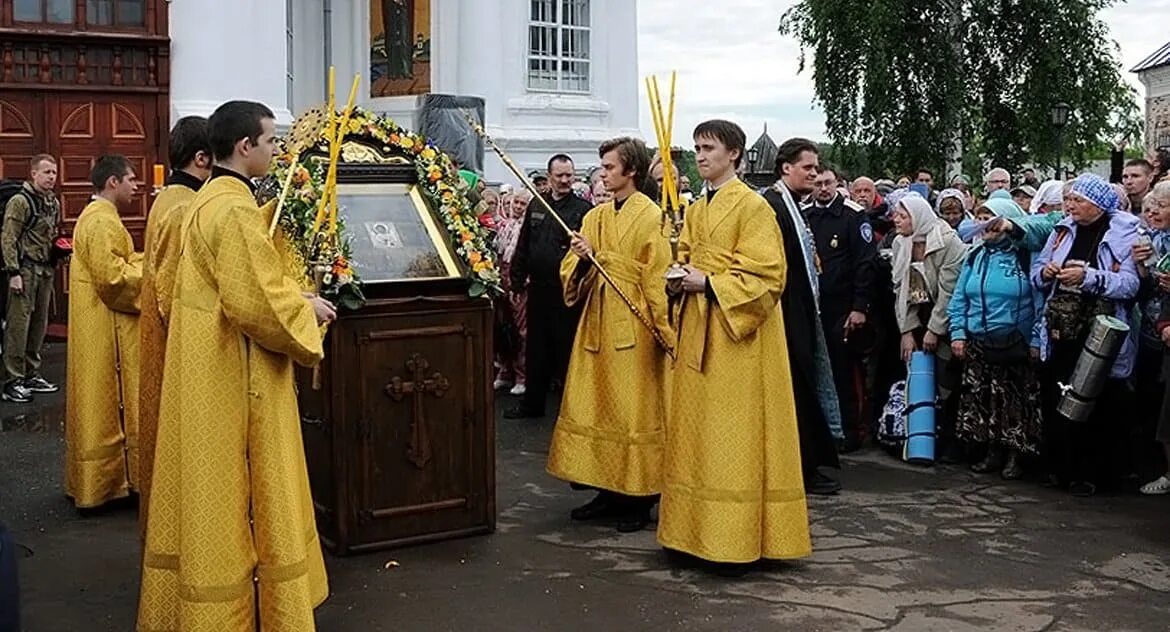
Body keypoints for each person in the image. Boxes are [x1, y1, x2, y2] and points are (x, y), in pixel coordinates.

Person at [138, 101, 336, 630]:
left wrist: (286, 293)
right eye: (271, 140)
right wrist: (307, 309)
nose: (276, 150)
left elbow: (241, 284)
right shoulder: (234, 210)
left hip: (207, 365)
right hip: (232, 373)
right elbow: (255, 303)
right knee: (241, 490)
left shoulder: (206, 202)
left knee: (214, 496)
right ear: (244, 146)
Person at [659, 120, 810, 574]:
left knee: (734, 437)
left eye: (709, 148)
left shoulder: (753, 207)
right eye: (697, 148)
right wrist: (675, 278)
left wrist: (706, 282)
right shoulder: (699, 208)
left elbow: (768, 277)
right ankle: (690, 532)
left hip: (738, 341)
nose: (700, 156)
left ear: (736, 155)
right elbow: (683, 256)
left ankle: (734, 537)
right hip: (697, 334)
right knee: (696, 435)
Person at [546, 137, 673, 533]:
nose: (602, 174)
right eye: (601, 167)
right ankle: (605, 488)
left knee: (631, 409)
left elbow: (657, 276)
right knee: (597, 405)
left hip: (634, 325)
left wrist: (665, 330)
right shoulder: (595, 217)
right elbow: (571, 270)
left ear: (630, 171)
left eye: (609, 167)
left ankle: (638, 497)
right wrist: (583, 260)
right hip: (597, 321)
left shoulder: (651, 216)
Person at [1032, 174, 1139, 497]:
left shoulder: (1126, 232)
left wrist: (1090, 277)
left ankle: (1096, 474)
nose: (1070, 205)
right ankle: (1062, 468)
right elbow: (1036, 271)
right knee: (1060, 395)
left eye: (1078, 200)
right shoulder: (1063, 230)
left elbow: (1131, 285)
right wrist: (1046, 272)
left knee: (1100, 401)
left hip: (1100, 329)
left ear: (1097, 203)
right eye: (1069, 200)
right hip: (1062, 327)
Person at [136, 116, 212, 537]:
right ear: (202, 159)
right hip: (175, 343)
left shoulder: (170, 199)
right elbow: (172, 289)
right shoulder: (184, 207)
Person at [761, 144, 842, 493]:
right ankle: (799, 466)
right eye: (806, 167)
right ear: (785, 169)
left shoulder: (793, 204)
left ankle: (805, 462)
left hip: (802, 308)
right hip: (785, 311)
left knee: (805, 386)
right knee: (795, 389)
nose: (813, 173)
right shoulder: (773, 206)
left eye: (816, 167)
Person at [64, 155, 143, 510]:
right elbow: (113, 280)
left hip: (97, 322)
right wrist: (154, 276)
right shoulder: (100, 221)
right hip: (104, 328)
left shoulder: (101, 217)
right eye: (130, 179)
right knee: (108, 400)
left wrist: (140, 261)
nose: (135, 186)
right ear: (113, 182)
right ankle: (108, 482)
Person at [948, 199, 1044, 480]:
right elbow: (959, 298)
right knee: (985, 401)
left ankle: (1015, 456)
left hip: (1015, 342)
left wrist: (1036, 339)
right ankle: (991, 452)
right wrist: (958, 333)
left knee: (1015, 402)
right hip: (979, 342)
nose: (984, 224)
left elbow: (1039, 302)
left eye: (990, 218)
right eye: (980, 217)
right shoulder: (975, 255)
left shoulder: (1026, 256)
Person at [505, 155, 592, 418]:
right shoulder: (537, 204)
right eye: (560, 176)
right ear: (550, 176)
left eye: (569, 175)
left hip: (565, 290)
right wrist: (516, 280)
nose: (565, 181)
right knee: (536, 348)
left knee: (566, 349)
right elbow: (524, 243)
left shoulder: (583, 210)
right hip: (538, 288)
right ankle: (532, 404)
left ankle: (570, 409)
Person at [801, 163, 877, 455]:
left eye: (828, 183)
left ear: (837, 183)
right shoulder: (806, 216)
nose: (822, 188)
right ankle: (820, 432)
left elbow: (865, 264)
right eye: (818, 183)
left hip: (842, 306)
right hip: (813, 306)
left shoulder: (853, 217)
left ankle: (850, 431)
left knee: (843, 371)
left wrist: (859, 307)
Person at [890, 193, 969, 461]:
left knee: (947, 381)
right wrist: (907, 331)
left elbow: (949, 292)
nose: (895, 220)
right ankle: (920, 438)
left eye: (902, 216)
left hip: (947, 319)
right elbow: (901, 289)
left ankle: (951, 442)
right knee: (919, 378)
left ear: (918, 217)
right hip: (919, 312)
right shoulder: (902, 244)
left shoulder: (948, 242)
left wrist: (935, 329)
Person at [1, 155, 61, 403]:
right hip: (25, 270)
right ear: (33, 173)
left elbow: (51, 232)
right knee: (18, 324)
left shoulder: (52, 202)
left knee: (39, 323)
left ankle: (30, 373)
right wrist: (13, 272)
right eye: (46, 172)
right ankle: (11, 380)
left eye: (54, 172)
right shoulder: (20, 201)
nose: (51, 177)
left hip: (45, 269)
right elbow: (8, 237)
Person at [493, 187, 529, 396]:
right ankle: (505, 371)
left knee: (521, 330)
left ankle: (522, 375)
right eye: (515, 203)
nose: (516, 207)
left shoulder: (527, 229)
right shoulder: (504, 226)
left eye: (522, 204)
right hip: (502, 279)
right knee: (503, 326)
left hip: (520, 283)